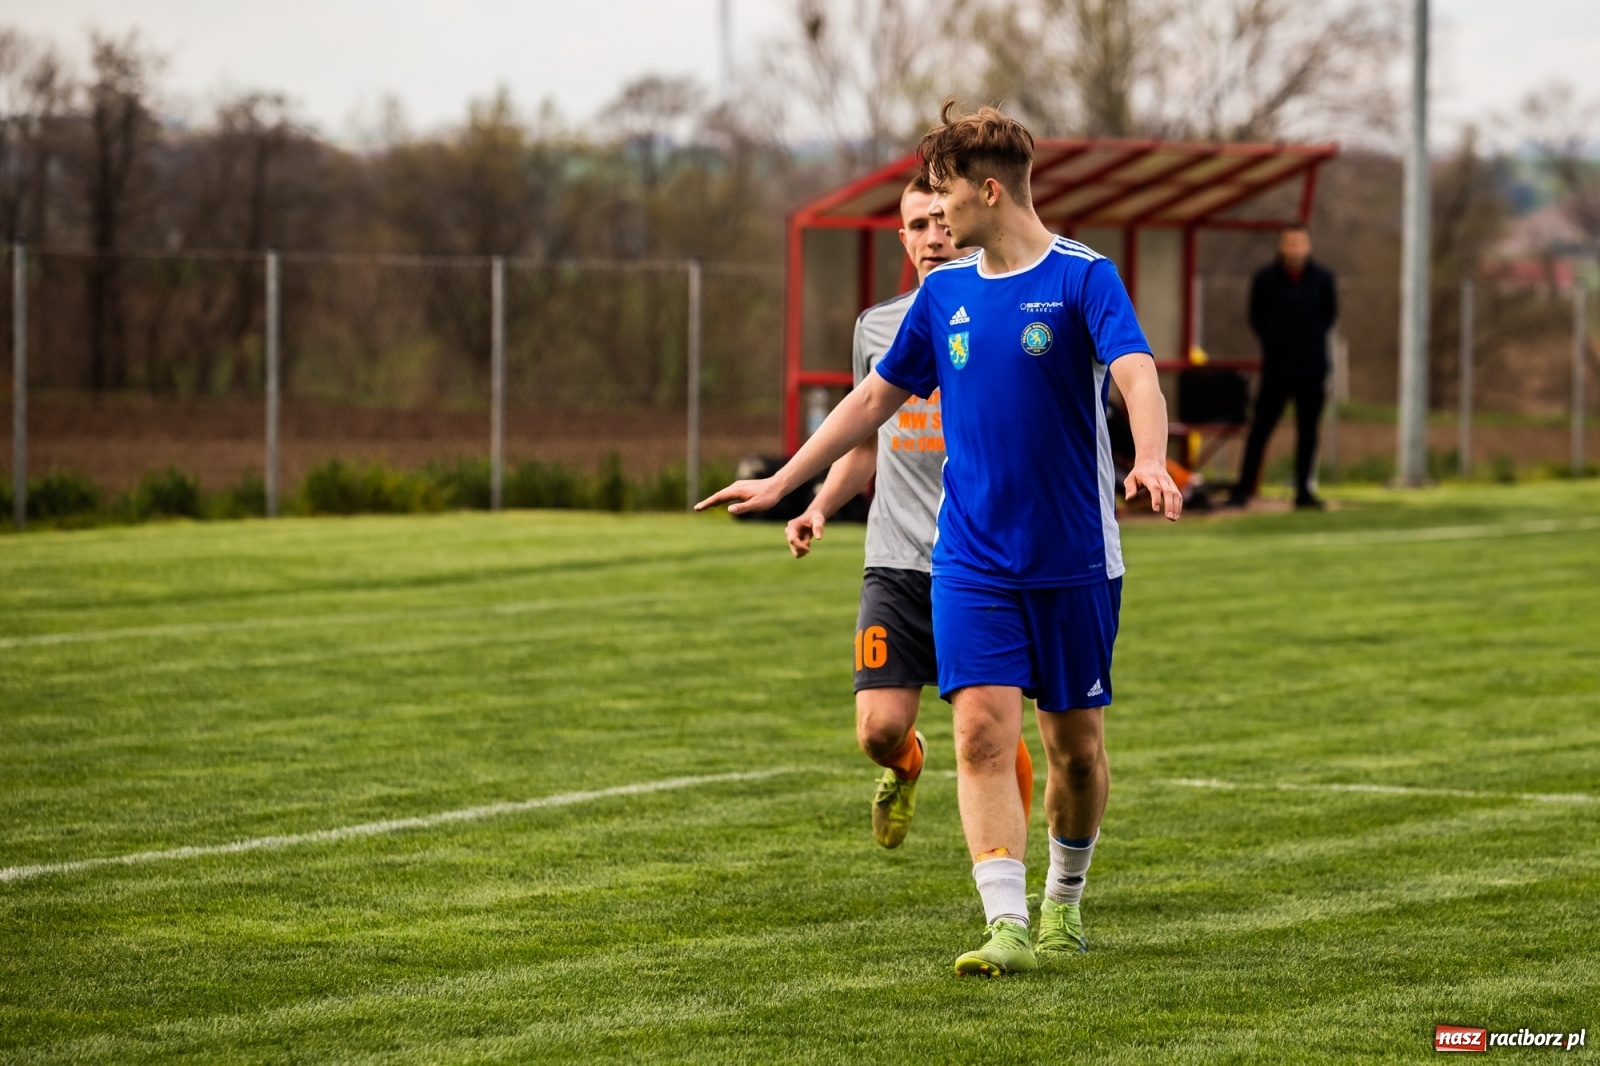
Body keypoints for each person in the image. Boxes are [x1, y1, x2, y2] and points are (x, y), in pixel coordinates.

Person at [699, 100, 1181, 977]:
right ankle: (1005, 924)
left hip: (1073, 560)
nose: (936, 218)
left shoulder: (1084, 277)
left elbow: (1138, 375)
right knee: (980, 736)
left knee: (1074, 751)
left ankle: (1063, 903)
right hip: (969, 561)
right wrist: (785, 480)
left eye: (947, 199)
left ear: (990, 192)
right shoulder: (946, 294)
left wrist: (1150, 456)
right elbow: (873, 400)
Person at [785, 175, 1034, 852]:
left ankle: (1008, 879)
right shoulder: (877, 328)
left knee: (988, 725)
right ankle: (908, 763)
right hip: (894, 563)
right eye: (917, 226)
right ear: (902, 238)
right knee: (876, 731)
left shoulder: (1005, 315)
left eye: (941, 222)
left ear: (967, 221)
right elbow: (866, 441)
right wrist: (819, 506)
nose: (932, 237)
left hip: (980, 564)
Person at [1228, 224, 1339, 509]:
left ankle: (1304, 490)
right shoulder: (1265, 280)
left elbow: (1329, 316)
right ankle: (1243, 489)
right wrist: (1276, 341)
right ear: (1281, 246)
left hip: (1312, 367)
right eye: (1289, 243)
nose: (1294, 248)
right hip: (1277, 367)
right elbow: (1256, 317)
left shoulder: (1323, 279)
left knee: (1308, 431)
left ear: (1308, 245)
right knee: (1261, 429)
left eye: (1299, 242)